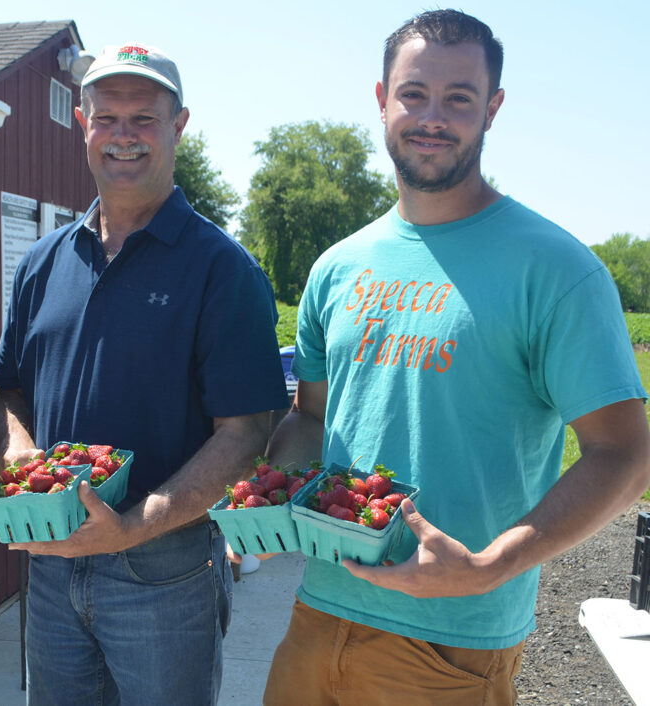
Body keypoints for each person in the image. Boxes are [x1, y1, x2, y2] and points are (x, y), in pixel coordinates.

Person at [263, 10, 650, 705]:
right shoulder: (337, 267)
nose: (432, 117)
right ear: (382, 99)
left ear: (492, 109)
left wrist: (490, 566)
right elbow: (311, 418)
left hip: (451, 640)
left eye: (459, 98)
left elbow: (626, 455)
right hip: (318, 613)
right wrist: (267, 497)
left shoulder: (556, 269)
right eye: (413, 93)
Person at [0, 43, 289, 704]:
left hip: (165, 570)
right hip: (52, 565)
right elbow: (7, 394)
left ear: (179, 126)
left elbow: (246, 433)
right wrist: (22, 458)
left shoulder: (221, 269)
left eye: (144, 118)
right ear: (82, 124)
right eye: (107, 118)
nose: (123, 136)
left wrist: (132, 525)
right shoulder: (43, 262)